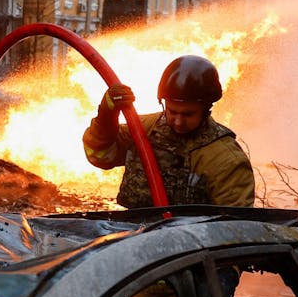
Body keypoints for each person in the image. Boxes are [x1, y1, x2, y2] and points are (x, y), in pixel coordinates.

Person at [81, 54, 254, 209]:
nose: (178, 122)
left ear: (206, 108)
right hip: (132, 236)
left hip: (190, 244)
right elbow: (99, 155)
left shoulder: (226, 159)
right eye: (172, 111)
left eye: (188, 114)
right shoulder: (144, 129)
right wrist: (106, 115)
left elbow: (233, 227)